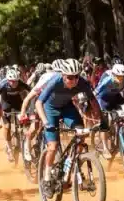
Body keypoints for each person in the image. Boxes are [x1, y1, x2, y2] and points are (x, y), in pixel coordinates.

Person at [36, 58, 103, 189]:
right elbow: (39, 103)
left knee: (81, 134)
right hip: (51, 109)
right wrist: (45, 122)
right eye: (70, 77)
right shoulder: (55, 81)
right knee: (53, 146)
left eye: (76, 77)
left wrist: (101, 120)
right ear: (63, 75)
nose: (74, 81)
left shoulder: (82, 83)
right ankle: (47, 177)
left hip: (67, 108)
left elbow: (93, 101)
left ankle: (70, 163)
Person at [0, 68, 31, 160]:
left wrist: (29, 108)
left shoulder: (21, 83)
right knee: (7, 127)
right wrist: (0, 109)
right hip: (6, 104)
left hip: (17, 103)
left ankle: (23, 140)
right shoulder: (3, 85)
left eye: (15, 81)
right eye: (11, 81)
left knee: (24, 122)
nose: (13, 83)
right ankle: (9, 149)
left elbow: (31, 91)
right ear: (8, 80)